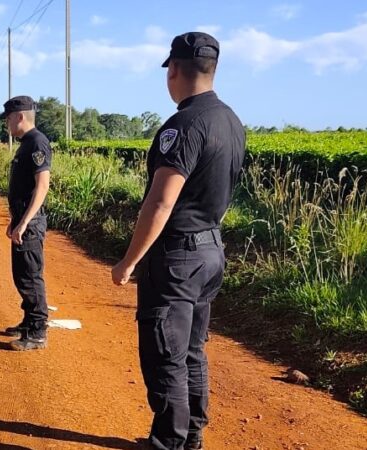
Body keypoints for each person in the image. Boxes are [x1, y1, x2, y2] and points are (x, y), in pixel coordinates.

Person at [110, 32, 245, 450]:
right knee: (190, 350)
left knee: (165, 353)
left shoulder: (183, 125)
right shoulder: (231, 121)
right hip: (210, 250)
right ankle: (191, 436)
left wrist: (129, 260)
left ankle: (168, 441)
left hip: (177, 258)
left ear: (173, 70)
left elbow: (161, 201)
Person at [0, 95, 52, 351]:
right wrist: (15, 221)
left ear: (20, 116)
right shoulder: (26, 143)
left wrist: (24, 222)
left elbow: (42, 187)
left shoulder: (37, 142)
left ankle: (38, 331)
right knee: (22, 275)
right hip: (23, 220)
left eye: (8, 118)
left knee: (31, 276)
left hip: (30, 223)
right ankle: (28, 322)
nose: (6, 124)